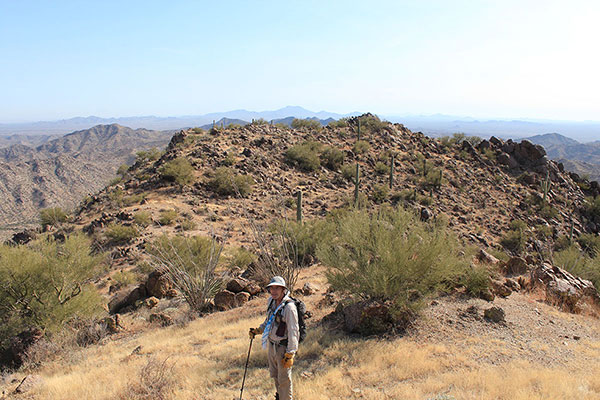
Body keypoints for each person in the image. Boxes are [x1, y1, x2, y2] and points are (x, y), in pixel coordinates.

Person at [249, 276, 299, 400]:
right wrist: (259, 330)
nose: (274, 291)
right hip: (271, 345)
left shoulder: (289, 308)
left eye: (277, 288)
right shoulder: (271, 302)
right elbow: (268, 321)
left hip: (283, 349)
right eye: (272, 288)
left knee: (284, 380)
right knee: (276, 377)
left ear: (283, 290)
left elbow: (294, 331)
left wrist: (290, 353)